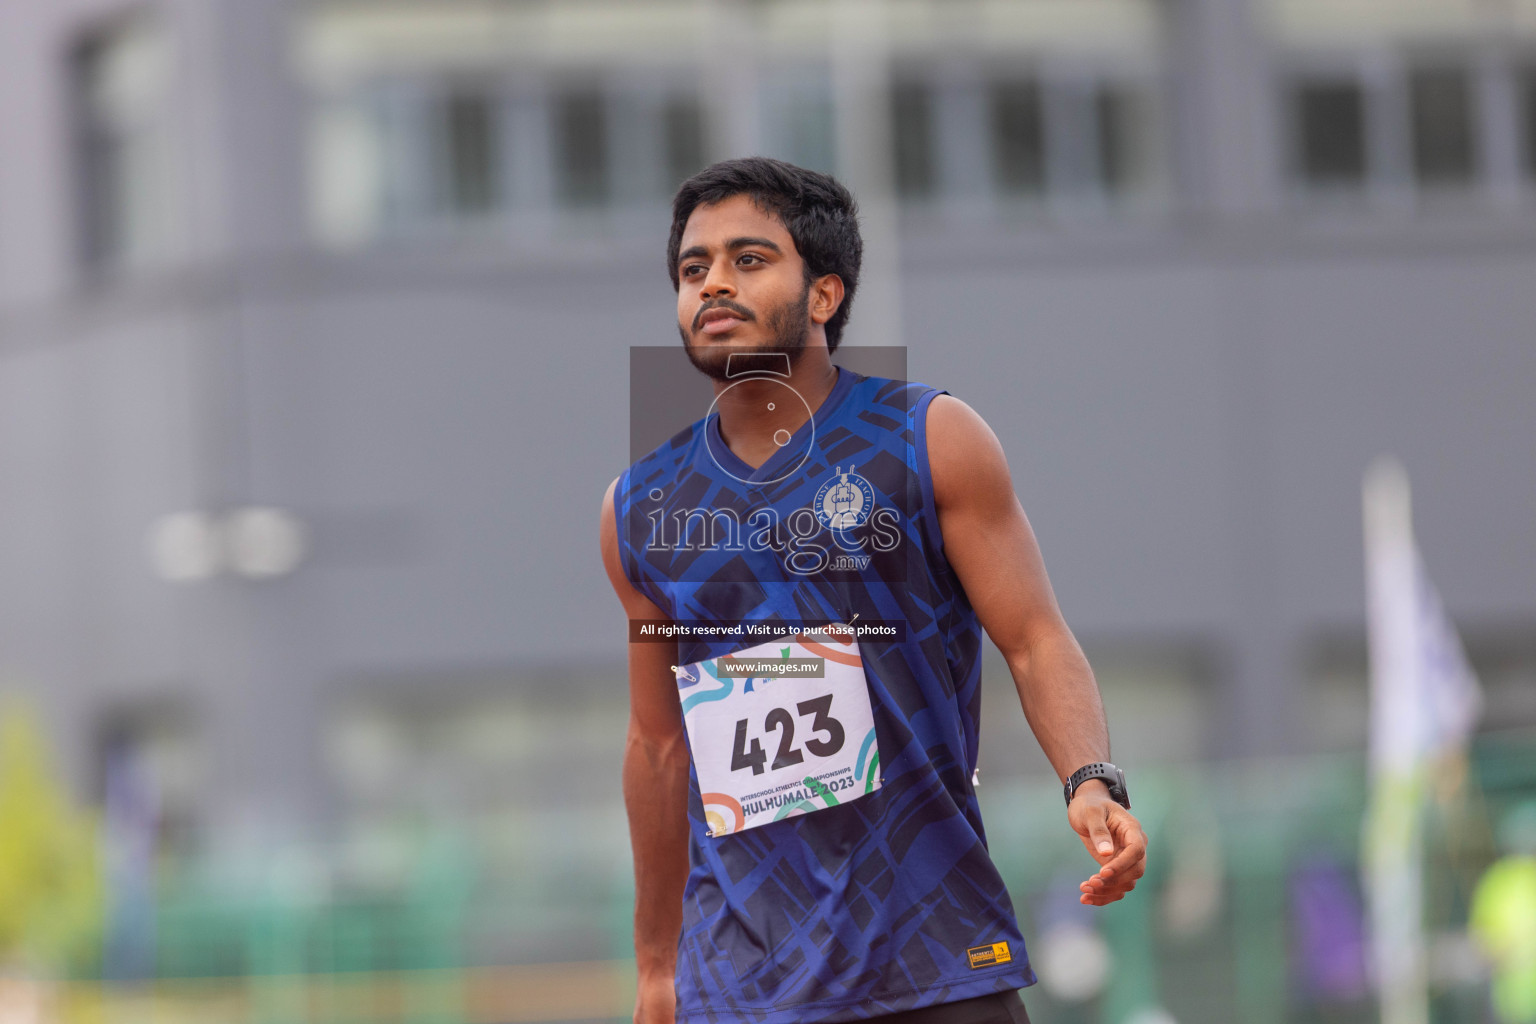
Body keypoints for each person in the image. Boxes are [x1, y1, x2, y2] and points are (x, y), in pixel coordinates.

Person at [599, 156, 1148, 1024]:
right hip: (742, 983)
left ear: (823, 294)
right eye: (692, 268)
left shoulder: (929, 439)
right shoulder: (640, 508)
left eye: (748, 260)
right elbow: (659, 747)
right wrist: (656, 966)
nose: (713, 284)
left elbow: (1035, 637)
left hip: (932, 953)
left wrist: (1091, 778)